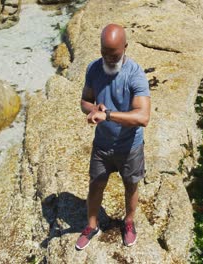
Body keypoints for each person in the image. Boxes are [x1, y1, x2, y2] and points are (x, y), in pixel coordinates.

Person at [75, 23, 151, 250]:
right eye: (104, 52)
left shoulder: (135, 75)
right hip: (102, 145)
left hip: (130, 146)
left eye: (114, 53)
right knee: (95, 184)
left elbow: (143, 117)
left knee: (131, 185)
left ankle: (128, 222)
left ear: (125, 47)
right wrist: (92, 109)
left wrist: (107, 115)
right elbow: (84, 101)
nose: (108, 58)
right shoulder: (93, 69)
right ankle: (91, 224)